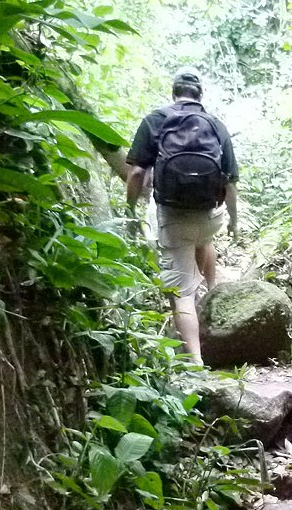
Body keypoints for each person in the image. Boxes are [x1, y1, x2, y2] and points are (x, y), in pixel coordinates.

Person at [125, 69, 239, 366]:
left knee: (181, 293)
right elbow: (230, 184)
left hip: (174, 216)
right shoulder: (215, 125)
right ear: (200, 95)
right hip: (209, 215)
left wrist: (130, 211)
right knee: (204, 236)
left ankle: (195, 362)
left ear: (174, 93)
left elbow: (137, 173)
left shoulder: (155, 120)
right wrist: (235, 222)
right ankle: (212, 293)